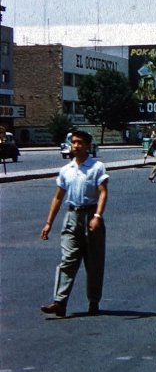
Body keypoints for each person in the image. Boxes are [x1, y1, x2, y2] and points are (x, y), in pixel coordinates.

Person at [40, 130, 109, 318]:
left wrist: (97, 216)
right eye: (73, 142)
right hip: (71, 217)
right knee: (67, 260)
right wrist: (49, 223)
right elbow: (58, 197)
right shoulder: (66, 170)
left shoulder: (96, 167)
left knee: (94, 263)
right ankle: (59, 302)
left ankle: (94, 301)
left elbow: (103, 192)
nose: (75, 146)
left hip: (91, 216)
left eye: (79, 143)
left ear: (87, 145)